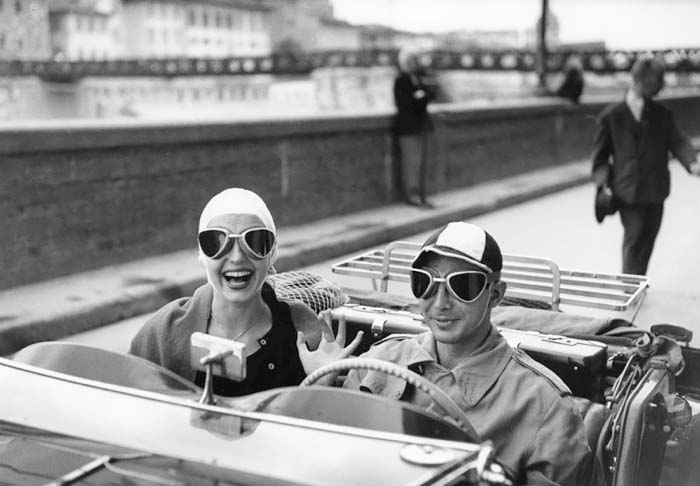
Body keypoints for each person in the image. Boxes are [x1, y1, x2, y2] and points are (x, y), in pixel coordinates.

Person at [298, 222, 598, 485]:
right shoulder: (380, 362)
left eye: (462, 285)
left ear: (495, 294)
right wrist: (321, 384)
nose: (440, 303)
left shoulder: (543, 406)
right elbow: (328, 461)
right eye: (425, 283)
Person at [130, 188, 322, 396]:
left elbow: (310, 417)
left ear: (272, 253)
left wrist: (322, 381)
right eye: (217, 242)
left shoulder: (300, 329)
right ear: (202, 255)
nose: (237, 257)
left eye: (255, 241)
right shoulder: (164, 331)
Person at [591, 55, 700, 275]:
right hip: (627, 191)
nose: (662, 87)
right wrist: (602, 186)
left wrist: (693, 162)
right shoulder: (611, 116)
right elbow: (600, 157)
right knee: (634, 237)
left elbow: (677, 140)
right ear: (642, 81)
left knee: (648, 238)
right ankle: (630, 288)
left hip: (656, 190)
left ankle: (637, 281)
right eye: (658, 81)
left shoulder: (662, 115)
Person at [393, 46, 436, 208]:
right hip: (408, 128)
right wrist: (421, 97)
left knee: (419, 163)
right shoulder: (402, 80)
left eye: (416, 60)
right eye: (412, 60)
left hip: (420, 126)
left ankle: (420, 195)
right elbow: (408, 104)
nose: (415, 63)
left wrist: (422, 96)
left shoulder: (417, 79)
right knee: (411, 163)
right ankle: (412, 196)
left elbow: (426, 96)